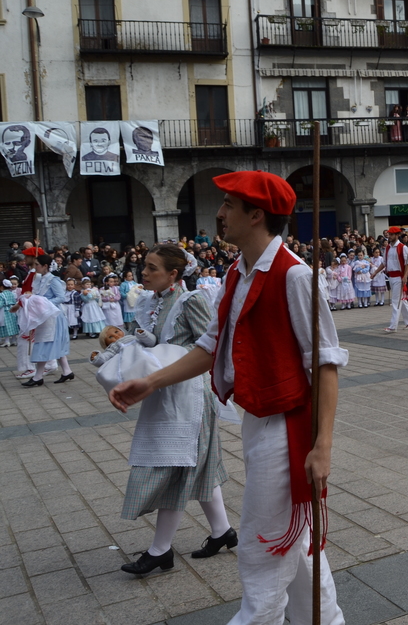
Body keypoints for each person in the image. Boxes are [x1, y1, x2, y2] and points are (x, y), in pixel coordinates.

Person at [110, 171, 348, 624]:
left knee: (262, 548)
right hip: (259, 420)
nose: (219, 214)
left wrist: (323, 446)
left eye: (228, 205)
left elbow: (325, 364)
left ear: (256, 215)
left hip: (288, 427)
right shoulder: (238, 273)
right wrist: (151, 382)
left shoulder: (295, 276)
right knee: (293, 542)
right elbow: (210, 346)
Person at [110, 244, 234, 575]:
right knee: (195, 467)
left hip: (190, 396)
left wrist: (166, 351)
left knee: (177, 466)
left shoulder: (190, 300)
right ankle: (222, 531)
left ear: (173, 274)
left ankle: (160, 550)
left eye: (152, 268)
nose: (144, 273)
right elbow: (142, 338)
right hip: (164, 393)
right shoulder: (151, 301)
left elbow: (210, 344)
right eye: (145, 266)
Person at [19, 255, 75, 387]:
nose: (35, 267)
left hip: (53, 317)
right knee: (51, 344)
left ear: (45, 266)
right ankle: (67, 371)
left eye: (37, 264)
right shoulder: (39, 279)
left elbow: (61, 297)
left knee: (44, 344)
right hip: (45, 316)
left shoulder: (53, 280)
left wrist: (43, 303)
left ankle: (38, 377)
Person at [371, 228, 408, 333]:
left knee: (395, 302)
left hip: (399, 277)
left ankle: (393, 326)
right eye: (389, 234)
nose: (389, 236)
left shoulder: (402, 247)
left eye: (391, 234)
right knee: (401, 300)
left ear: (397, 235)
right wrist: (375, 272)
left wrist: (405, 276)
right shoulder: (387, 248)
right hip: (391, 276)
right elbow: (384, 263)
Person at [0, 279, 19, 347]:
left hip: (5, 311)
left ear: (2, 287)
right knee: (13, 325)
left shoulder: (2, 294)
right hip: (12, 310)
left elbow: (0, 304)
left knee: (6, 326)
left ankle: (7, 341)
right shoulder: (12, 293)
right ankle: (14, 340)